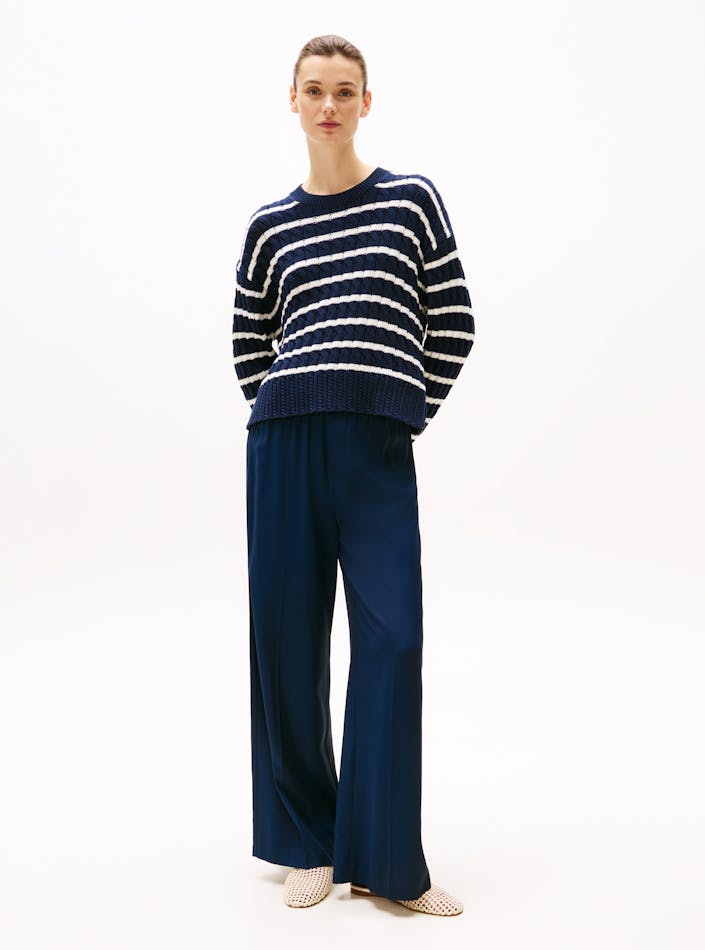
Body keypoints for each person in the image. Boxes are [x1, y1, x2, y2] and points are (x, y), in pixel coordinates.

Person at [231, 34, 475, 915]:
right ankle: (308, 840)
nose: (328, 105)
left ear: (366, 102)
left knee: (392, 640)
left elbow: (453, 321)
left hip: (374, 449)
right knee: (286, 643)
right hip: (285, 444)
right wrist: (293, 410)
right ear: (293, 101)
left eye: (344, 91)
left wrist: (398, 407)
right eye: (314, 90)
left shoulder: (410, 201)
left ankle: (382, 857)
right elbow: (249, 345)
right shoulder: (269, 225)